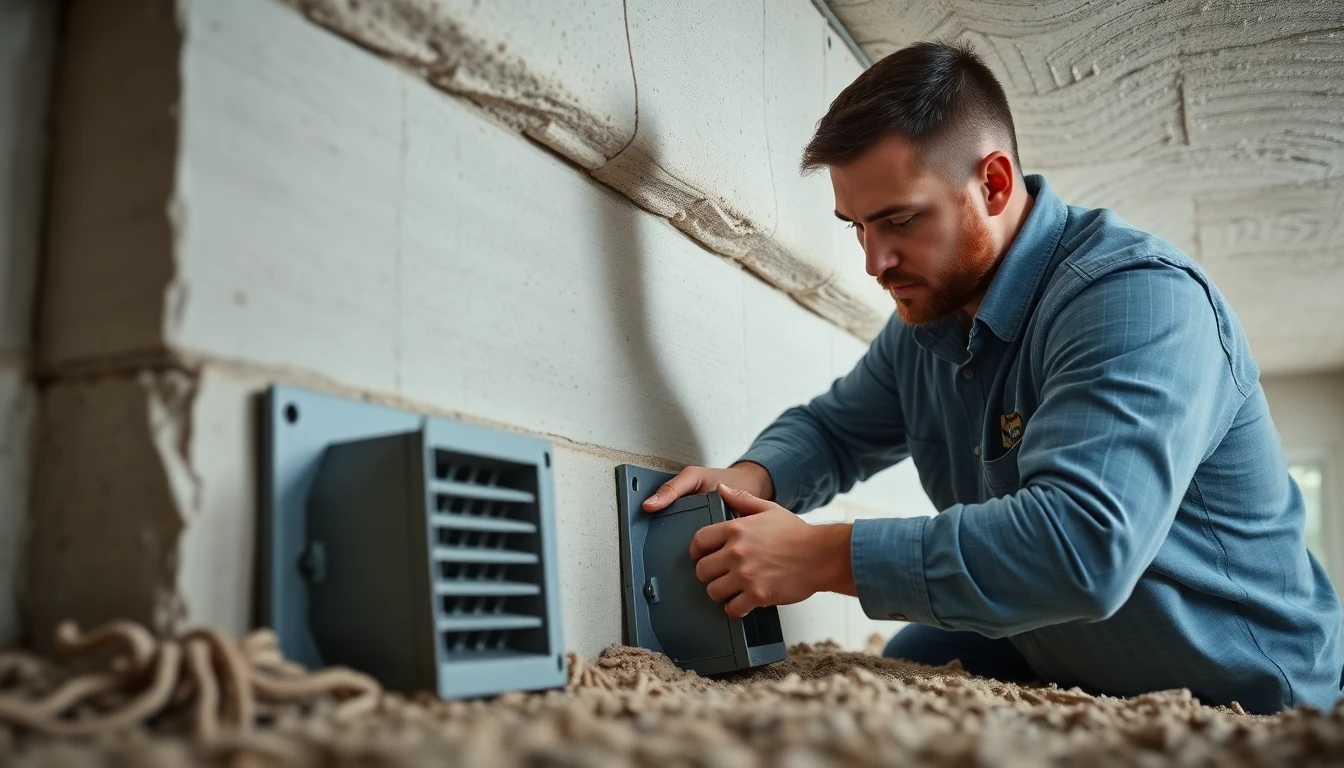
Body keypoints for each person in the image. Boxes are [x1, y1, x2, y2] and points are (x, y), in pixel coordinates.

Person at [641, 40, 1343, 715]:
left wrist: (824, 556)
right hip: (1056, 647)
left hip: (1245, 685)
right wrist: (748, 479)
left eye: (899, 221)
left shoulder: (1135, 300)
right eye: (855, 226)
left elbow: (1081, 546)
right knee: (904, 668)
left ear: (994, 183)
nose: (873, 260)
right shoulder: (927, 324)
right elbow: (832, 431)